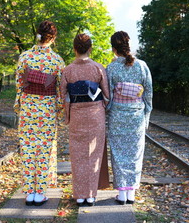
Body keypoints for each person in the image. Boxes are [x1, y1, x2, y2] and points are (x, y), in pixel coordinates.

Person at [14, 20, 64, 206]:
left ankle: (29, 192)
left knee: (27, 149)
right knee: (44, 150)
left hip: (28, 108)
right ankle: (40, 192)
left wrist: (20, 104)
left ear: (38, 34)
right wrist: (58, 110)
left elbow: (19, 84)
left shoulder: (25, 57)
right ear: (53, 38)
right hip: (47, 110)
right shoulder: (57, 60)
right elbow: (60, 90)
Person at [60, 33, 110, 206]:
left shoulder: (68, 70)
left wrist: (67, 116)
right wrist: (101, 106)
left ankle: (79, 194)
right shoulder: (98, 68)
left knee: (78, 154)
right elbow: (107, 95)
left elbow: (64, 96)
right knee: (94, 155)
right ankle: (91, 195)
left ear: (74, 49)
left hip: (76, 115)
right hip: (95, 114)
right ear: (90, 49)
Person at [106, 31, 153, 205]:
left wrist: (108, 112)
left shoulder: (111, 68)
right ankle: (131, 192)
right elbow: (148, 93)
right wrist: (146, 115)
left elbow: (107, 96)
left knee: (118, 154)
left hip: (118, 115)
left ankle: (122, 193)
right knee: (135, 153)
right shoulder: (142, 65)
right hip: (136, 116)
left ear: (113, 48)